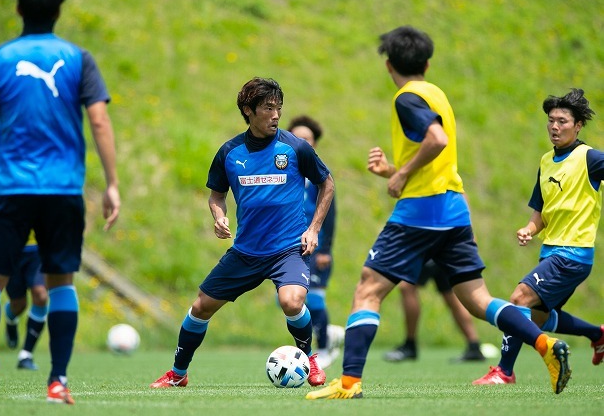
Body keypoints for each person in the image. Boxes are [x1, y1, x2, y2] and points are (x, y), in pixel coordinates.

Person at [306, 26, 570, 400]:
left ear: (388, 65)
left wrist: (401, 174)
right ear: (427, 64)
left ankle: (349, 384)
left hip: (420, 212)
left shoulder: (406, 98)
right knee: (478, 300)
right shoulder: (437, 94)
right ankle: (545, 345)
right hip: (454, 209)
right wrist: (392, 170)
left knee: (368, 289)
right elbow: (436, 157)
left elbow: (437, 140)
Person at [0, 0, 120, 405]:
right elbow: (99, 120)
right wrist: (111, 184)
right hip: (62, 189)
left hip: (10, 187)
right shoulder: (78, 58)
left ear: (18, 10)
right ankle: (58, 382)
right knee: (61, 282)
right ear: (58, 12)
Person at [150, 77, 335, 388]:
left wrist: (314, 229)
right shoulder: (230, 152)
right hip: (246, 252)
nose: (276, 115)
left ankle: (309, 359)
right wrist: (219, 216)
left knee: (292, 301)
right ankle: (178, 374)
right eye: (268, 108)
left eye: (278, 108)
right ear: (249, 110)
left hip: (288, 249)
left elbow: (326, 183)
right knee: (200, 307)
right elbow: (216, 195)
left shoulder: (295, 148)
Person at [473, 88, 604, 386]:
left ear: (578, 125)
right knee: (536, 317)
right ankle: (597, 335)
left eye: (562, 121)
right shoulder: (546, 161)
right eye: (551, 121)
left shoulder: (590, 158)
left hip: (572, 254)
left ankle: (504, 372)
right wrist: (529, 229)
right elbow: (540, 212)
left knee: (519, 298)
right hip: (551, 252)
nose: (555, 127)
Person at [288, 115, 344, 369]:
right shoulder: (283, 171)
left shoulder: (320, 175)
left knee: (316, 298)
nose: (302, 142)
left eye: (307, 139)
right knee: (290, 299)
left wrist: (326, 249)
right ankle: (327, 332)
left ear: (314, 144)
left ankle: (323, 347)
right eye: (297, 137)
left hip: (315, 247)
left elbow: (329, 214)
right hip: (288, 247)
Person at [383, 260, 486, 362]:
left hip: (429, 253)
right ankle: (474, 346)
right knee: (450, 294)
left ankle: (410, 345)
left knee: (407, 287)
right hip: (446, 254)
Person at [4, 240, 48, 371]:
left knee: (41, 295)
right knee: (19, 305)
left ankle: (26, 355)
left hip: (39, 250)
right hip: (12, 249)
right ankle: (10, 318)